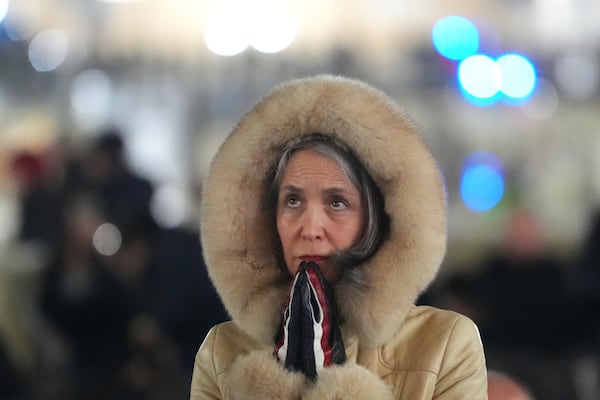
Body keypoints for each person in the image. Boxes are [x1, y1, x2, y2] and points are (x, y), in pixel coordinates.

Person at [190, 75, 487, 399]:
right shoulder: (223, 350)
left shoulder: (445, 344)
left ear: (378, 220)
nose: (310, 228)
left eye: (337, 203)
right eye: (292, 201)